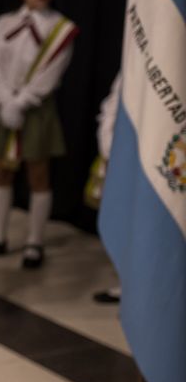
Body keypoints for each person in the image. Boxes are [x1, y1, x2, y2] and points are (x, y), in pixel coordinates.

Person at [0, 0, 78, 268]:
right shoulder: (4, 23)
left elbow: (50, 74)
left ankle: (35, 242)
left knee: (38, 174)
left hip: (36, 109)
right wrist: (3, 99)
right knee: (1, 169)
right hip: (3, 105)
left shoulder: (59, 27)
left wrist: (21, 101)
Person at [86, 71, 123, 303]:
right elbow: (111, 106)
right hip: (125, 156)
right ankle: (127, 282)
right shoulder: (136, 64)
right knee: (124, 221)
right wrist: (109, 149)